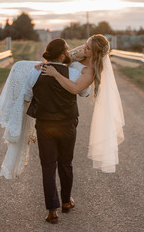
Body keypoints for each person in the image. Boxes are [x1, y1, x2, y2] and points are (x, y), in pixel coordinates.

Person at [24, 38, 91, 224]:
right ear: (62, 55)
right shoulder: (72, 72)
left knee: (48, 166)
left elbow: (27, 96)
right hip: (67, 124)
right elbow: (85, 93)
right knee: (66, 163)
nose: (70, 53)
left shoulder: (36, 72)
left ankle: (52, 211)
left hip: (45, 125)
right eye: (68, 51)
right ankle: (67, 202)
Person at [42, 34, 125, 173]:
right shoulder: (82, 53)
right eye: (85, 45)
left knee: (63, 161)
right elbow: (61, 57)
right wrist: (48, 65)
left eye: (88, 48)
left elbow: (75, 89)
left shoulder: (90, 71)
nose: (83, 49)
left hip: (65, 108)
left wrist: (55, 73)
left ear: (95, 54)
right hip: (52, 97)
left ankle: (65, 193)